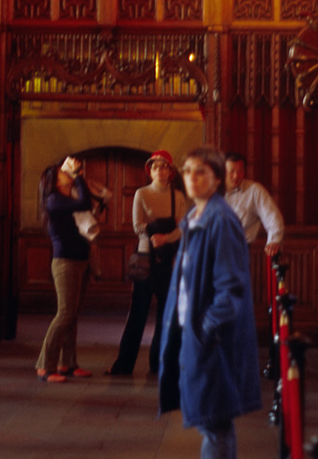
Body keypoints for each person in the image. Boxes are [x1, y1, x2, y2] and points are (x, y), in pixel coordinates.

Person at [159, 146, 261, 459]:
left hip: (212, 340)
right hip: (194, 332)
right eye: (187, 170)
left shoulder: (221, 220)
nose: (191, 177)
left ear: (216, 180)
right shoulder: (193, 216)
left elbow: (231, 287)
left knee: (215, 422)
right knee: (211, 420)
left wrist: (205, 331)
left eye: (200, 171)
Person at [105, 149, 187, 377]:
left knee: (165, 315)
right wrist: (157, 231)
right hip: (145, 258)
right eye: (155, 166)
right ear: (149, 172)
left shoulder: (177, 196)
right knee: (138, 313)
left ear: (170, 172)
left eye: (164, 166)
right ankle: (124, 364)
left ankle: (159, 364)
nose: (160, 170)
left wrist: (165, 237)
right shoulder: (141, 193)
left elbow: (182, 228)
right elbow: (137, 226)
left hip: (166, 259)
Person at [34, 155, 106, 383]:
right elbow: (84, 203)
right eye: (62, 173)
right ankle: (45, 366)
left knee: (73, 315)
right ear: (55, 182)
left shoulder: (68, 197)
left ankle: (69, 363)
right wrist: (77, 178)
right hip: (64, 261)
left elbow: (92, 203)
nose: (67, 173)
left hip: (80, 258)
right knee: (64, 313)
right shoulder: (54, 200)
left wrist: (79, 181)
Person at [223, 153, 284, 257]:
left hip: (239, 250)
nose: (236, 176)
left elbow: (273, 218)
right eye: (232, 171)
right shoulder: (211, 191)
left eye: (240, 171)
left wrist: (273, 241)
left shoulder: (254, 190)